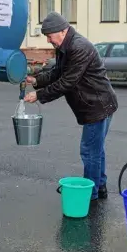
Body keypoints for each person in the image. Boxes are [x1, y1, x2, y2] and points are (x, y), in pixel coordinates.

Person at [23, 12, 118, 201]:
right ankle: (100, 186)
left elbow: (67, 82)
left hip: (97, 106)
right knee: (96, 149)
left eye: (50, 36)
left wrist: (39, 95)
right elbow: (58, 71)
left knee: (90, 150)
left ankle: (91, 194)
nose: (49, 41)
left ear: (62, 31)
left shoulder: (78, 47)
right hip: (97, 103)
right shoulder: (66, 46)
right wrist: (36, 80)